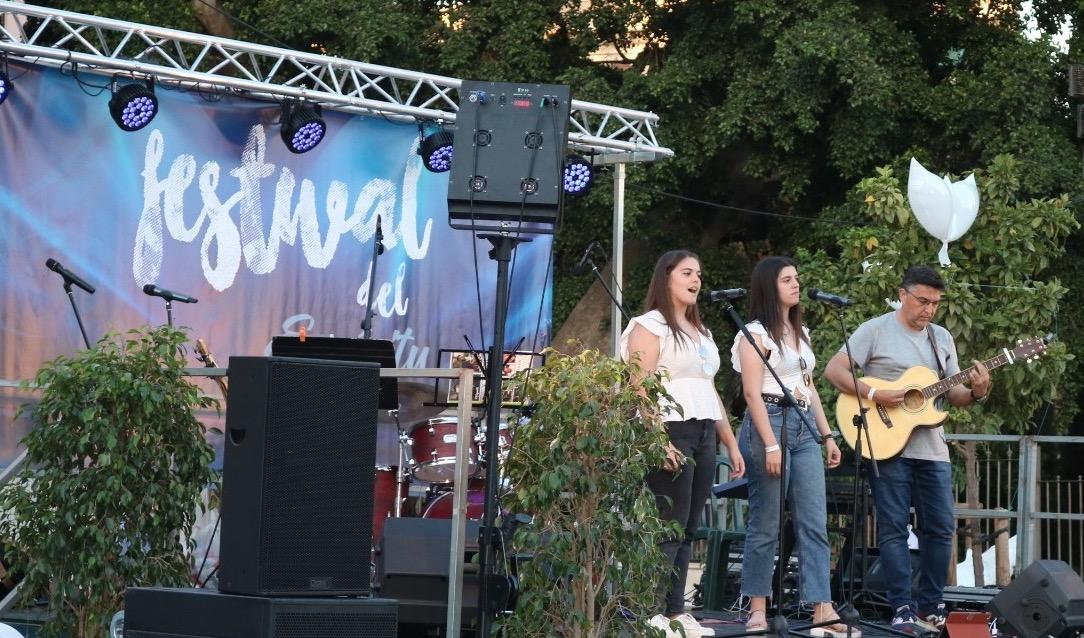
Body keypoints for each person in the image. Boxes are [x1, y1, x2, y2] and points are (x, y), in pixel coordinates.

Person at [823, 266, 990, 634]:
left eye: (935, 303)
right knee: (894, 528)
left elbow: (954, 396)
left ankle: (931, 606)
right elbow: (834, 370)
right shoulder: (876, 329)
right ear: (903, 294)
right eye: (923, 301)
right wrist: (875, 394)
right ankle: (901, 606)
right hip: (886, 446)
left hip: (932, 450)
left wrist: (978, 390)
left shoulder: (941, 338)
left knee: (942, 528)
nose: (929, 309)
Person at [621, 249, 746, 638]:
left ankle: (675, 612)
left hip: (705, 431)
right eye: (687, 273)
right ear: (666, 278)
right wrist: (658, 440)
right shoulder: (649, 325)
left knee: (689, 527)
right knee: (668, 526)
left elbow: (708, 389)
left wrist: (731, 441)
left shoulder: (702, 333)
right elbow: (637, 386)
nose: (696, 280)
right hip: (670, 430)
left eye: (699, 274)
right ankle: (650, 610)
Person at [730, 256, 851, 637]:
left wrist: (827, 434)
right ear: (770, 286)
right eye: (787, 280)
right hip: (768, 422)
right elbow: (751, 392)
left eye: (797, 278)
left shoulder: (802, 334)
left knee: (814, 522)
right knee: (765, 522)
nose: (796, 285)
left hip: (801, 428)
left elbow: (809, 387)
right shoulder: (753, 334)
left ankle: (822, 609)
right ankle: (757, 608)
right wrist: (769, 445)